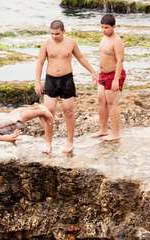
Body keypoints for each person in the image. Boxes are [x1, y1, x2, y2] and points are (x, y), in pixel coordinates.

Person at [35, 20, 98, 154]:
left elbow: (80, 57)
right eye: (52, 33)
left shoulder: (71, 43)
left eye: (57, 33)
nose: (54, 36)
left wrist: (92, 71)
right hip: (51, 80)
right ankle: (48, 143)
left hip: (67, 80)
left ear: (63, 31)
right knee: (48, 113)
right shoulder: (46, 44)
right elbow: (40, 62)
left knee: (68, 112)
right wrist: (37, 82)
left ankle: (69, 142)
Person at [92, 13, 126, 141]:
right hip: (102, 74)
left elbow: (120, 61)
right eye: (102, 27)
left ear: (114, 27)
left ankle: (116, 133)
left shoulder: (117, 41)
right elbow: (103, 56)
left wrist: (116, 80)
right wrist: (96, 73)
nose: (104, 30)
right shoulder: (103, 38)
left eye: (106, 27)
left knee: (112, 104)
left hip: (114, 74)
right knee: (101, 100)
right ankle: (103, 129)